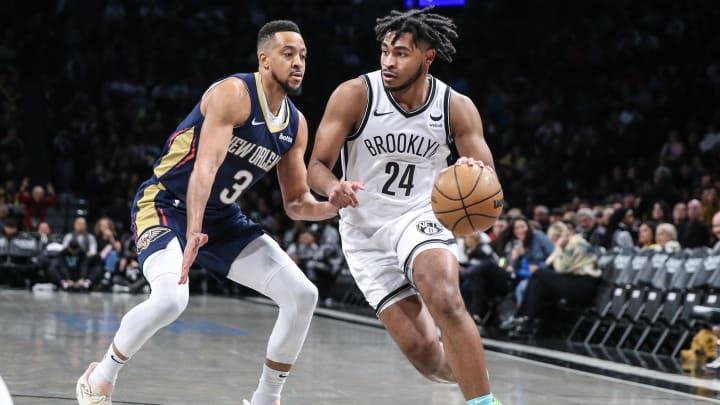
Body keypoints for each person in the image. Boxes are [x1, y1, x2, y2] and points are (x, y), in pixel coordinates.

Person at [76, 20, 338, 405]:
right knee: (171, 299)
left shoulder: (296, 125)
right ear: (264, 60)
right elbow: (205, 168)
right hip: (167, 204)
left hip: (221, 217)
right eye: (288, 54)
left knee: (302, 295)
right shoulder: (233, 93)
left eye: (303, 55)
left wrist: (336, 206)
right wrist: (193, 232)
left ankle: (266, 399)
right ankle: (100, 377)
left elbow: (296, 203)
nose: (298, 62)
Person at [307, 9, 502, 405]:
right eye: (384, 52)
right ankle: (471, 371)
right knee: (428, 360)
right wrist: (334, 187)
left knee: (444, 295)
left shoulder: (455, 106)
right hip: (364, 232)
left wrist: (470, 170)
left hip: (420, 216)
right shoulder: (356, 94)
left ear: (427, 57)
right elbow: (316, 167)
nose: (388, 62)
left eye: (400, 53)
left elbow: (490, 184)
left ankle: (483, 401)